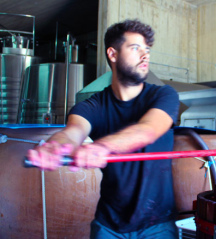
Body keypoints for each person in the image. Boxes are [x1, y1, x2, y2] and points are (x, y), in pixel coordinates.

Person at [27, 19, 180, 239]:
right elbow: (73, 132)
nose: (145, 55)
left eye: (147, 50)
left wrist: (102, 147)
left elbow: (148, 130)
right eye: (135, 48)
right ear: (113, 54)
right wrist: (55, 147)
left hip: (158, 226)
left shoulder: (163, 95)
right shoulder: (92, 105)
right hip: (108, 227)